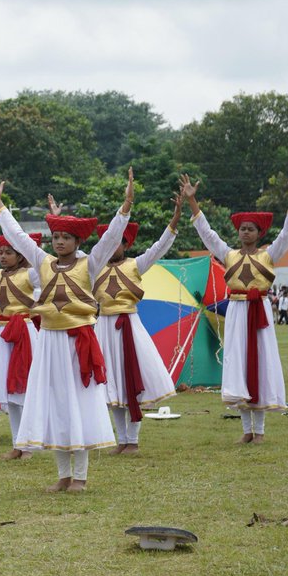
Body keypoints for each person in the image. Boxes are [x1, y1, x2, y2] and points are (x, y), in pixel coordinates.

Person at [0, 169, 134, 492]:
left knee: (78, 402)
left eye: (66, 237)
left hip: (78, 341)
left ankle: (80, 476)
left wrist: (125, 208)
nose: (60, 241)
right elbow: (18, 236)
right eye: (56, 237)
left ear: (78, 242)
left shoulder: (89, 264)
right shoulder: (42, 262)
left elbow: (110, 240)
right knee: (55, 403)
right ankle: (63, 474)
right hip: (50, 342)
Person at [182, 171, 288, 443]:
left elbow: (287, 234)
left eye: (250, 229)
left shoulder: (269, 254)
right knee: (238, 364)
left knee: (260, 362)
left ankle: (260, 431)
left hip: (259, 312)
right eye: (242, 228)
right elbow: (208, 234)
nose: (245, 232)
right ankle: (247, 431)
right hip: (236, 312)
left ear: (259, 233)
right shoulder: (229, 255)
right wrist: (192, 201)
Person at [89, 192, 182, 455]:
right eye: (107, 243)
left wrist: (175, 219)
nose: (111, 248)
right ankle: (122, 439)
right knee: (112, 386)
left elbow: (159, 248)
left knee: (132, 381)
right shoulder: (93, 268)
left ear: (126, 244)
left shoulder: (136, 265)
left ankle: (133, 440)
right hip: (103, 328)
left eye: (117, 242)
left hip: (129, 326)